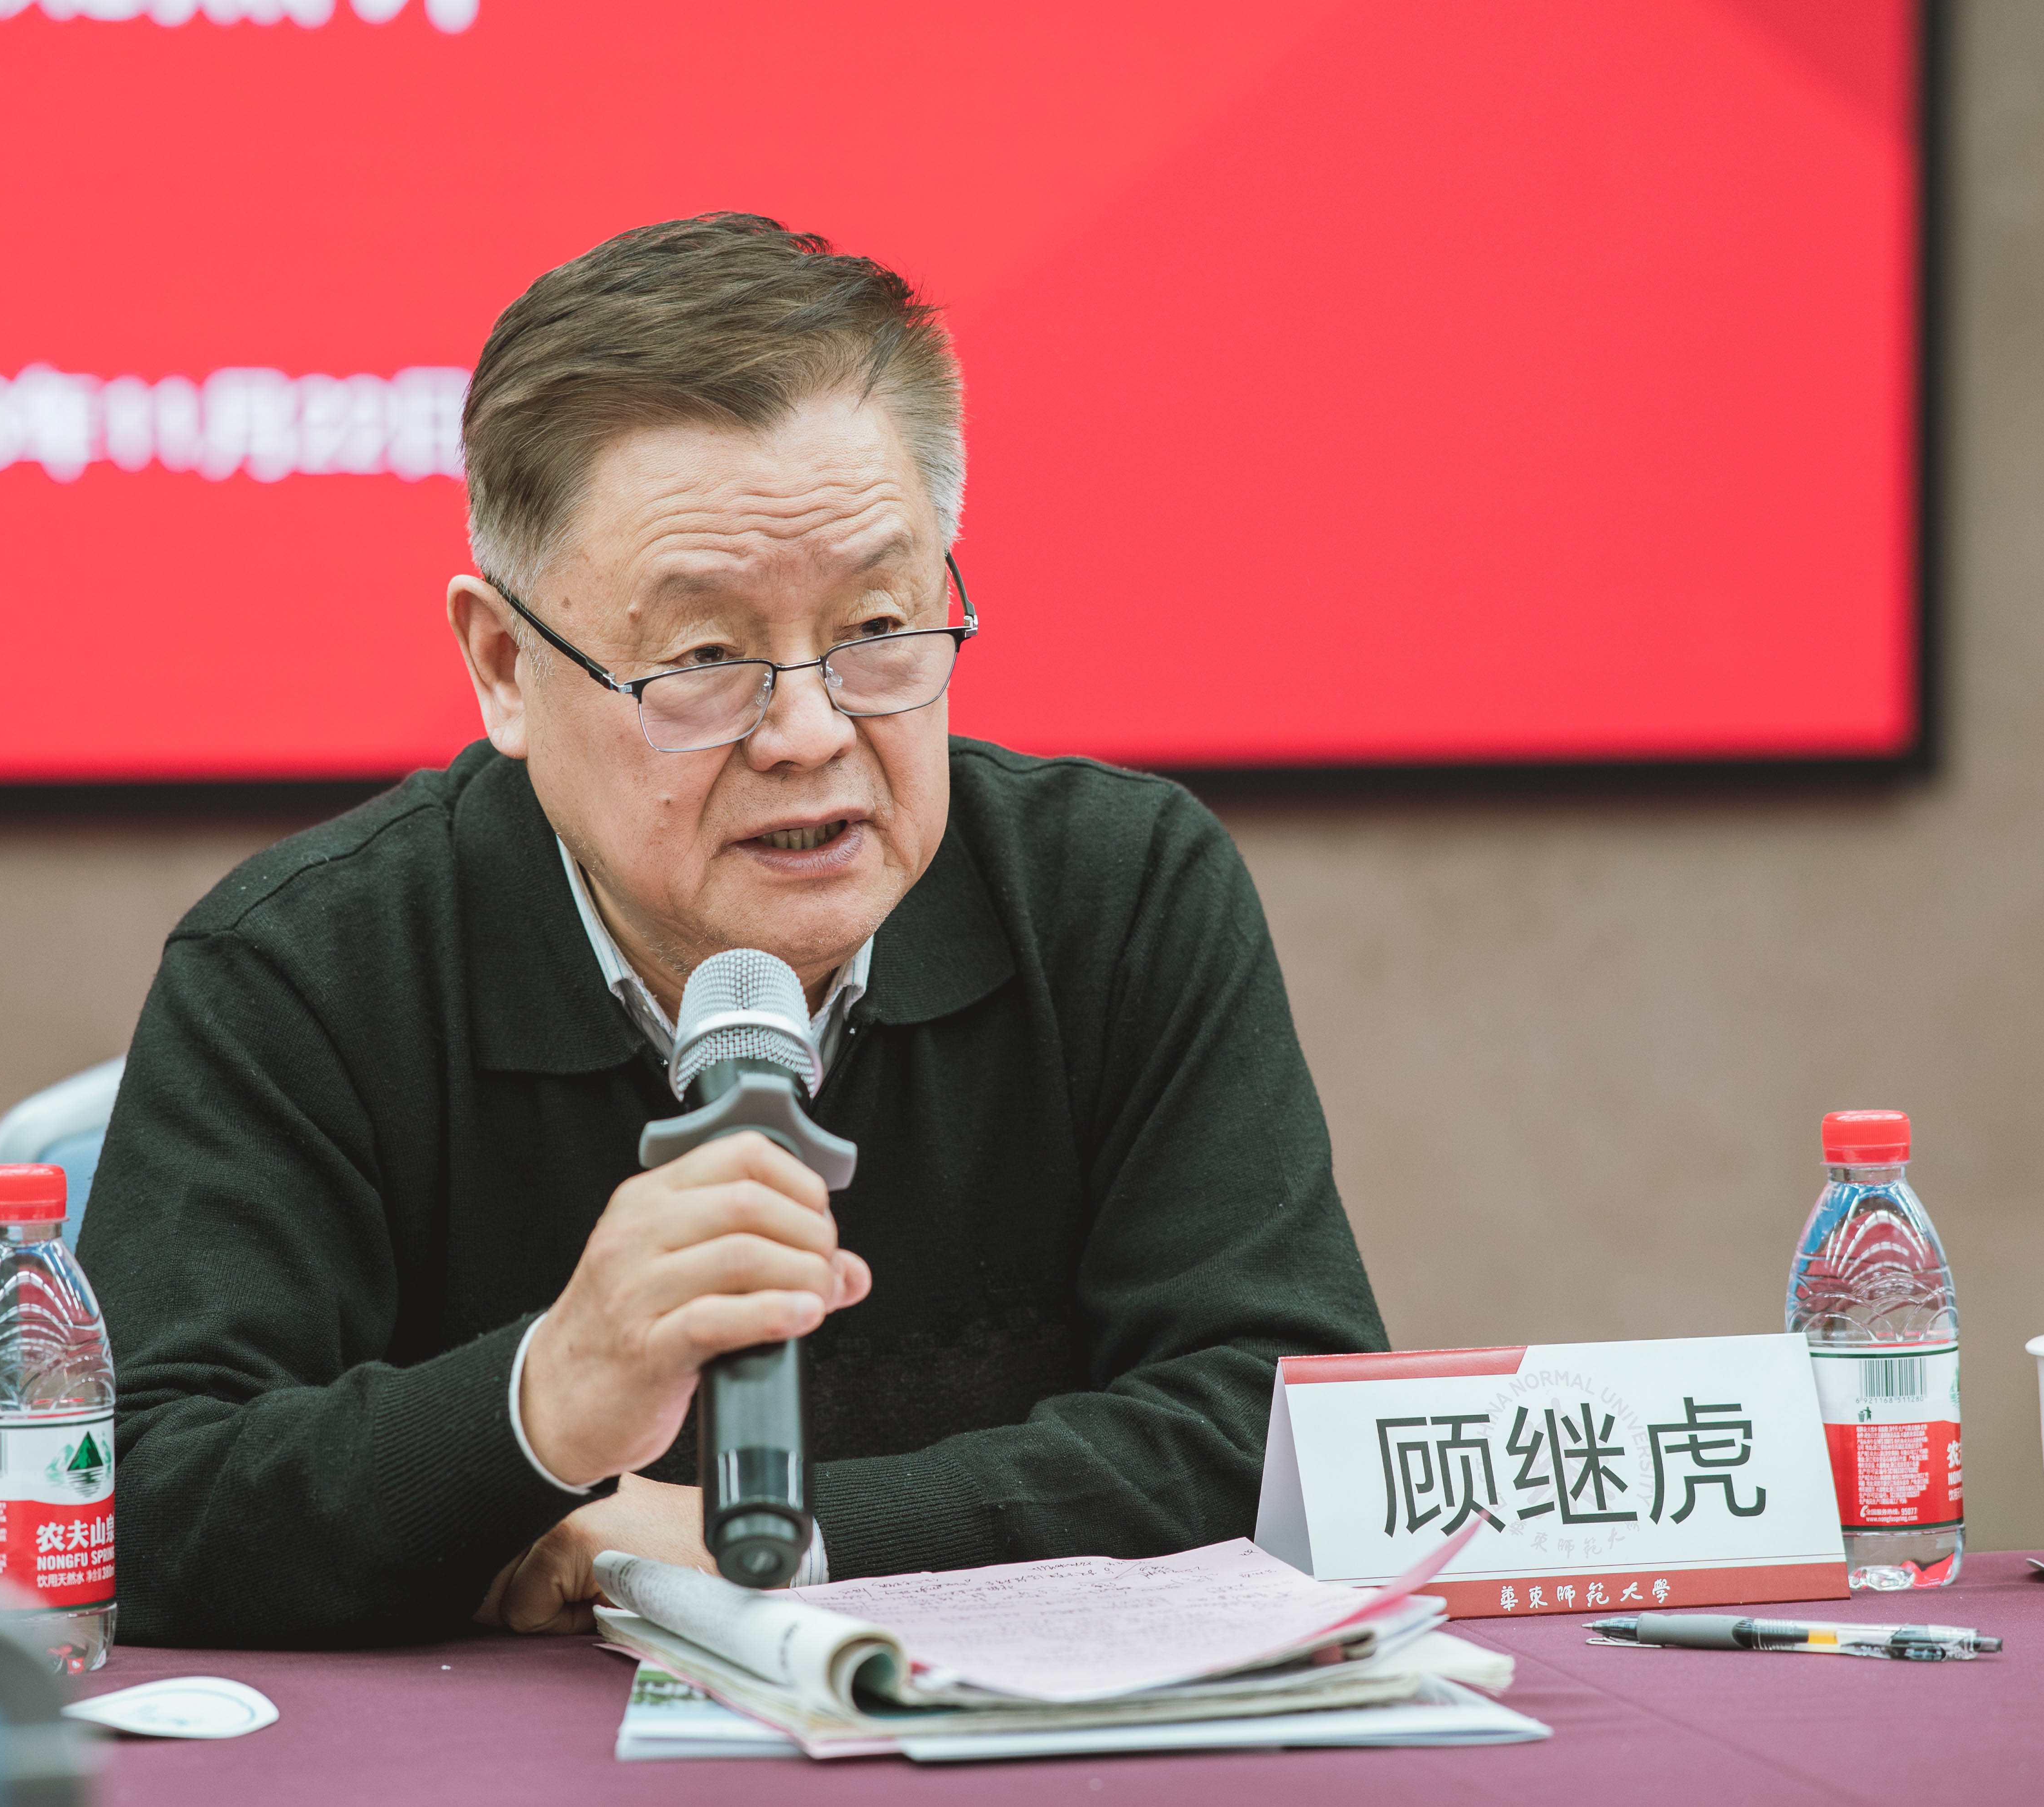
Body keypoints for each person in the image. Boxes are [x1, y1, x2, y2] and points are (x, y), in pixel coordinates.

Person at [82, 213, 1387, 1647]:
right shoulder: (303, 970)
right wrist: (540, 1401)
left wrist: (778, 1542)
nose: (811, 730)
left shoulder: (1120, 901)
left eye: (878, 627)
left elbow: (1280, 1421)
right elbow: (136, 1499)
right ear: (505, 666)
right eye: (705, 657)